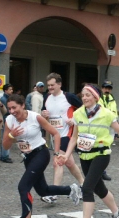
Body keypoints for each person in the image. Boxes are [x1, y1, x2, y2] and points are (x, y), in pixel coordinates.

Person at [2, 94, 82, 218]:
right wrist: (12, 136)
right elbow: (5, 145)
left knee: (23, 187)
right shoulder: (9, 120)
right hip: (27, 157)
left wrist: (57, 154)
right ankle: (71, 189)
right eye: (9, 108)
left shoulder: (35, 117)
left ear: (22, 106)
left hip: (40, 153)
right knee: (42, 190)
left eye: (14, 107)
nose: (12, 111)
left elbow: (55, 133)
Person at [58, 84, 119, 218]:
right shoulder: (78, 114)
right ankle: (118, 213)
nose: (84, 98)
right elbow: (74, 138)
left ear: (96, 97)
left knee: (87, 187)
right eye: (83, 95)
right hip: (84, 155)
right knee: (99, 188)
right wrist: (66, 155)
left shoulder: (106, 114)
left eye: (88, 95)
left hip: (101, 154)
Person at [40, 72, 84, 204]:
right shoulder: (46, 97)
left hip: (67, 134)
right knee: (69, 163)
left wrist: (73, 119)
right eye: (48, 85)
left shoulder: (68, 97)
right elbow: (43, 114)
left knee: (58, 161)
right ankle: (84, 185)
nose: (50, 88)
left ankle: (53, 193)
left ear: (59, 84)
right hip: (55, 135)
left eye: (52, 85)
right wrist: (43, 114)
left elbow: (84, 110)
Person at [98, 79, 118, 180]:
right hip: (101, 127)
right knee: (100, 149)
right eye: (105, 88)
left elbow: (114, 113)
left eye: (109, 88)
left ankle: (102, 171)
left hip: (110, 126)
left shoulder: (111, 99)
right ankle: (99, 171)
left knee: (106, 150)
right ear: (102, 88)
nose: (107, 90)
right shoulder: (98, 98)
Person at [0, 83, 14, 163]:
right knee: (6, 137)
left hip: (7, 119)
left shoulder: (8, 98)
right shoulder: (4, 99)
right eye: (10, 89)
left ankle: (4, 155)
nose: (11, 91)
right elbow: (5, 111)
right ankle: (4, 155)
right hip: (6, 120)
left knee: (7, 137)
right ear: (5, 90)